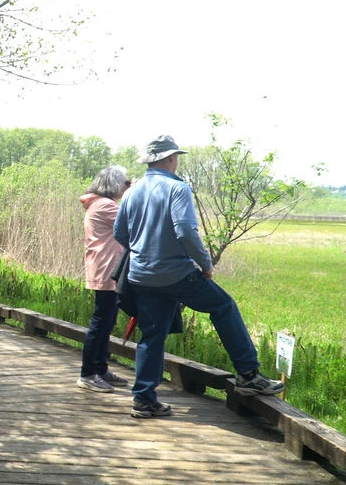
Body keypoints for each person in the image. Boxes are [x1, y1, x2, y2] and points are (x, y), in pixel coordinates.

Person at [113, 135, 285, 418]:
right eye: (176, 157)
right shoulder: (177, 189)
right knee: (223, 306)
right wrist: (204, 263)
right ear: (170, 158)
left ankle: (144, 398)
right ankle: (248, 374)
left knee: (152, 335)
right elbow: (185, 231)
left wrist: (145, 248)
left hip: (141, 276)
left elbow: (120, 233)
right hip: (176, 274)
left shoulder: (132, 191)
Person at [76, 166, 132, 393]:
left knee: (107, 320)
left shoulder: (99, 204)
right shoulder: (106, 206)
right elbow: (132, 222)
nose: (125, 186)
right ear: (112, 184)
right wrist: (133, 194)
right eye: (124, 182)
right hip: (106, 269)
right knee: (101, 322)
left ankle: (100, 367)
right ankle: (88, 373)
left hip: (105, 268)